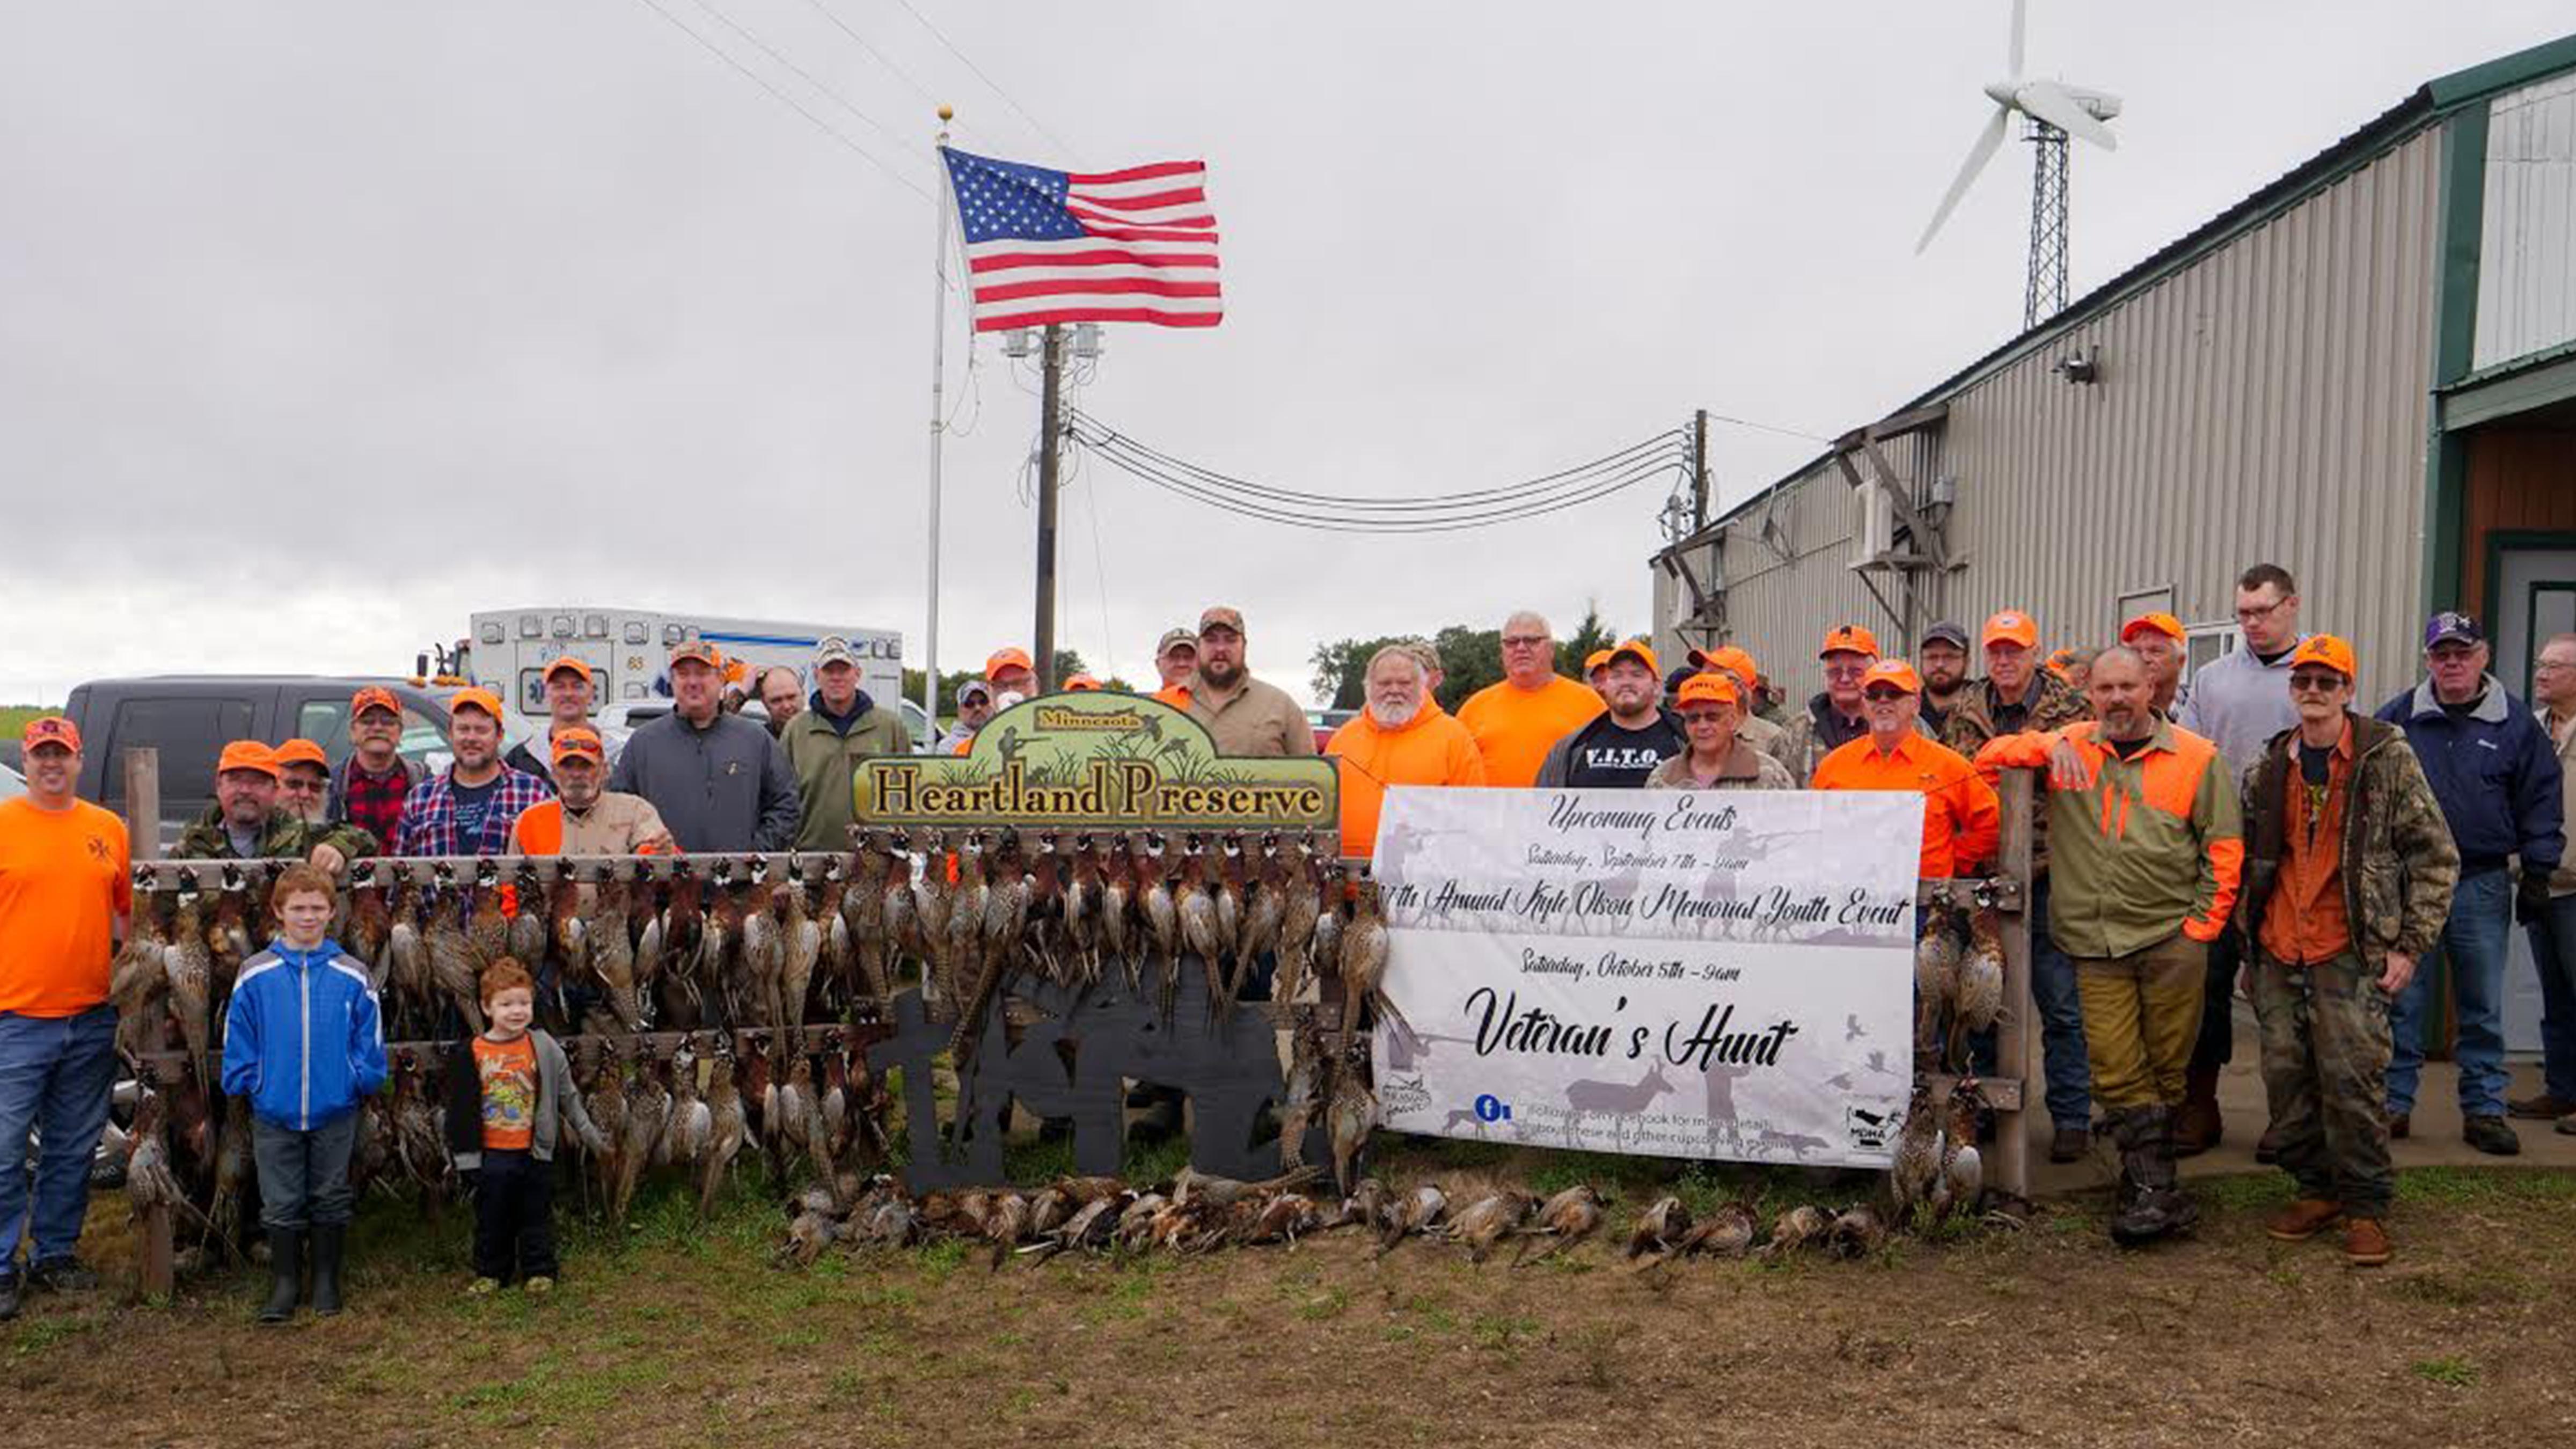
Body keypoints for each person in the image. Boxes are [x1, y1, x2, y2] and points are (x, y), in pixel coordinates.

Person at [1975, 647, 2243, 1245]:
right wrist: (2047, 746)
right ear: (2090, 694)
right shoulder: (2073, 743)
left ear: (2151, 687)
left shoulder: (2198, 759)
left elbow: (2225, 850)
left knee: (2167, 1066)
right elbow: (1989, 758)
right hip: (2095, 944)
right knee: (2118, 1068)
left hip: (2171, 938)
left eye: (2128, 686)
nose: (2118, 698)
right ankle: (2155, 1191)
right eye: (2105, 689)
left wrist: (2202, 928)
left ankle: (2148, 1185)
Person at [2236, 636, 2457, 1268]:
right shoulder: (2269, 765)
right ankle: (2316, 1190)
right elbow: (2252, 863)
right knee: (2284, 1078)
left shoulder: (2386, 758)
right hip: (2279, 946)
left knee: (2353, 1080)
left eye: (2327, 683)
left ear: (2348, 691)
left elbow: (2435, 855)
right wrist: (2251, 950)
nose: (2313, 692)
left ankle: (2365, 1206)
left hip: (2350, 948)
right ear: (2292, 690)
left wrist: (2410, 945)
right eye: (2304, 681)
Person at [2373, 611, 2564, 1156]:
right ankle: (2394, 1103)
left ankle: (2484, 1110)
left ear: (2483, 655)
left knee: (2481, 1003)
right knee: (2403, 999)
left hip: (2481, 883)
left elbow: (2541, 800)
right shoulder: (2399, 719)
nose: (2452, 663)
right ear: (2429, 659)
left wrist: (2539, 869)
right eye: (2441, 654)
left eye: (2463, 652)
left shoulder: (2517, 724)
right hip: (2409, 883)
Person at [1940, 611, 2095, 1160]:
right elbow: (1960, 775)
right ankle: (1981, 1107)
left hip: (2052, 871)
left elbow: (2083, 767)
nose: (2005, 661)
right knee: (1984, 1001)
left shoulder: (2074, 707)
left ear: (2034, 652)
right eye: (1996, 651)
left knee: (2060, 1003)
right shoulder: (1965, 710)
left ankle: (2073, 1117)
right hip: (1984, 875)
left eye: (2016, 651)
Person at [2172, 564, 2310, 1157]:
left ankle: (2292, 1116)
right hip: (2218, 856)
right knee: (2206, 985)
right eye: (2245, 613)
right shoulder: (2212, 679)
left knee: (2281, 992)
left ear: (2291, 607)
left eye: (2264, 611)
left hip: (2290, 860)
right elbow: (2189, 761)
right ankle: (2201, 1107)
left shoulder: (2315, 675)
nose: (2253, 623)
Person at [0, 717, 130, 1321]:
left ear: (79, 761)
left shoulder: (107, 829)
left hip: (91, 1012)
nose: (52, 764)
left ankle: (55, 1253)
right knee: (4, 1149)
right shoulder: (4, 824)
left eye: (63, 755)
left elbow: (127, 916)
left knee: (73, 1149)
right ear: (26, 763)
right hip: (16, 1016)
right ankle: (3, 1264)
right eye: (41, 755)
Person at [221, 863, 387, 1322]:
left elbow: (369, 1036)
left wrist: (360, 1078)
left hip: (335, 1107)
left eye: (318, 908)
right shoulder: (257, 974)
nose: (308, 917)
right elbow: (240, 1035)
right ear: (279, 912)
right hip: (274, 1109)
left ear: (333, 913)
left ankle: (327, 1280)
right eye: (299, 908)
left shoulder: (352, 974)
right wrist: (251, 1081)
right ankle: (285, 1283)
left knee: (331, 1192)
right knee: (281, 1198)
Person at [444, 960, 598, 1296]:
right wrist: (467, 1160)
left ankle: (539, 1269)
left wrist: (591, 1135)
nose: (517, 1011)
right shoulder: (471, 1053)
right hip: (491, 1154)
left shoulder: (544, 1047)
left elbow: (567, 1096)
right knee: (492, 1217)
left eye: (524, 1003)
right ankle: (491, 1272)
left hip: (533, 1151)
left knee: (536, 1215)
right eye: (506, 1004)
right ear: (487, 1007)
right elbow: (458, 1114)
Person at [1811, 660, 2000, 877]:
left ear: (1916, 704)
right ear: (1864, 705)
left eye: (1894, 693)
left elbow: (1991, 823)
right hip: (1852, 897)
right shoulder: (1833, 766)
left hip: (1925, 903)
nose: (1883, 701)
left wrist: (1953, 859)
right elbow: (1814, 831)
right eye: (1873, 694)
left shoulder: (1949, 765)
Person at [610, 642, 801, 853]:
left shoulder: (755, 740)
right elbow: (618, 809)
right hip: (664, 881)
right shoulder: (643, 743)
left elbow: (786, 805)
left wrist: (757, 854)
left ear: (721, 679)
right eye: (683, 674)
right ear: (673, 682)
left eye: (702, 673)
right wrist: (644, 850)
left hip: (738, 882)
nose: (693, 682)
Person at [1327, 647, 1488, 858]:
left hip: (1425, 881)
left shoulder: (1455, 737)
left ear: (1423, 686)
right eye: (1384, 683)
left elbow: (1474, 814)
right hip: (1347, 879)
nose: (1394, 690)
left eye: (1404, 683)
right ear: (1368, 688)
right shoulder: (1343, 738)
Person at [2518, 631, 2576, 1134]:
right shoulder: (2532, 731)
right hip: (2542, 885)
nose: (2542, 673)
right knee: (2555, 995)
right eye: (2541, 664)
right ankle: (2562, 1092)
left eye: (2554, 666)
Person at [781, 635, 911, 852]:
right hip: (812, 859)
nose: (836, 677)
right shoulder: (796, 730)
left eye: (844, 670)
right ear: (816, 676)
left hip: (876, 859)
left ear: (857, 674)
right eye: (828, 671)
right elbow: (782, 799)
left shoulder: (890, 726)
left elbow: (909, 795)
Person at [1455, 612, 1604, 788]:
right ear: (1502, 651)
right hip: (1492, 813)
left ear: (1551, 650)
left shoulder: (1589, 703)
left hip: (1561, 812)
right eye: (1511, 642)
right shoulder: (1475, 707)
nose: (1521, 648)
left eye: (1532, 641)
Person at [397, 690, 552, 857]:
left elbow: (552, 863)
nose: (471, 738)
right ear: (450, 734)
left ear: (500, 736)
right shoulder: (420, 799)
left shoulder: (533, 794)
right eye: (463, 729)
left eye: (481, 730)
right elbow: (400, 871)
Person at [176, 741, 374, 870]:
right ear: (219, 785)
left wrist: (336, 847)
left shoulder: (296, 835)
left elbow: (364, 839)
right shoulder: (192, 842)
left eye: (257, 782)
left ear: (274, 789)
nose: (245, 790)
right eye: (236, 780)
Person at [1535, 641, 1685, 788]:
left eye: (1637, 675)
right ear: (1606, 685)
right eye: (1617, 675)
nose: (1626, 683)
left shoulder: (1686, 740)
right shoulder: (1572, 747)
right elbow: (1543, 806)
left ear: (1657, 686)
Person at [507, 728, 676, 855]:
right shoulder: (530, 821)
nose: (576, 774)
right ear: (553, 772)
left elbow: (657, 854)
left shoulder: (636, 811)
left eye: (586, 765)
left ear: (605, 771)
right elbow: (511, 890)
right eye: (567, 766)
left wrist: (663, 851)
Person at [1186, 607, 1317, 757]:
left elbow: (1313, 775)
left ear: (1244, 646)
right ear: (1198, 646)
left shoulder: (1281, 706)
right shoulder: (1171, 703)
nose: (1220, 649)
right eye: (1211, 640)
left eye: (1230, 640)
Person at [1646, 673, 1796, 791]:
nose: (1702, 726)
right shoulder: (1662, 778)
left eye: (1712, 717)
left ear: (1732, 720)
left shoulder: (1769, 774)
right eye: (1693, 718)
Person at [1783, 624, 1886, 780]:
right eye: (1835, 672)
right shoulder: (1796, 730)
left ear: (1875, 673)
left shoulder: (1905, 725)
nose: (1844, 679)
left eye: (1855, 672)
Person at [327, 686, 423, 847]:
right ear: (353, 731)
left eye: (387, 721)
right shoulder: (333, 785)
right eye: (367, 721)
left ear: (400, 731)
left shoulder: (422, 781)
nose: (378, 727)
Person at [503, 657, 601, 783]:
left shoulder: (614, 754)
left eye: (577, 686)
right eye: (559, 687)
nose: (568, 694)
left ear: (591, 693)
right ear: (546, 694)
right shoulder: (522, 758)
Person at [1688, 646, 1790, 766]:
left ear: (1739, 687)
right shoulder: (1690, 731)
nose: (1702, 684)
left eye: (1712, 678)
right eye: (1701, 677)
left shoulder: (1773, 738)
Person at [2122, 612, 2190, 718]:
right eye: (2136, 652)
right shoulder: (2115, 705)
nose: (2144, 659)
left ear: (2181, 661)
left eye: (2156, 651)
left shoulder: (2198, 707)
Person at [1918, 621, 1973, 734]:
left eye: (1949, 656)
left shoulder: (1987, 710)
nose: (1940, 664)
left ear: (1967, 662)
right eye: (1932, 657)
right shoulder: (1908, 711)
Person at [274, 739, 332, 826]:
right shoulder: (252, 835)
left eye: (315, 787)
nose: (305, 794)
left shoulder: (340, 837)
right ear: (273, 786)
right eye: (294, 784)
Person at [938, 678, 996, 753]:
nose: (978, 708)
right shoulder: (948, 747)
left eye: (983, 702)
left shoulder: (1001, 737)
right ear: (959, 710)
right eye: (970, 704)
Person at [1151, 628, 1198, 709]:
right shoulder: (1146, 708)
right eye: (1174, 657)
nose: (1182, 664)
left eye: (1189, 657)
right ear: (1158, 664)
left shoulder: (1218, 705)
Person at [757, 665, 805, 738]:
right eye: (777, 701)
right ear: (765, 704)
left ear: (803, 694)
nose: (787, 706)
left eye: (791, 697)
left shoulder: (824, 733)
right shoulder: (758, 741)